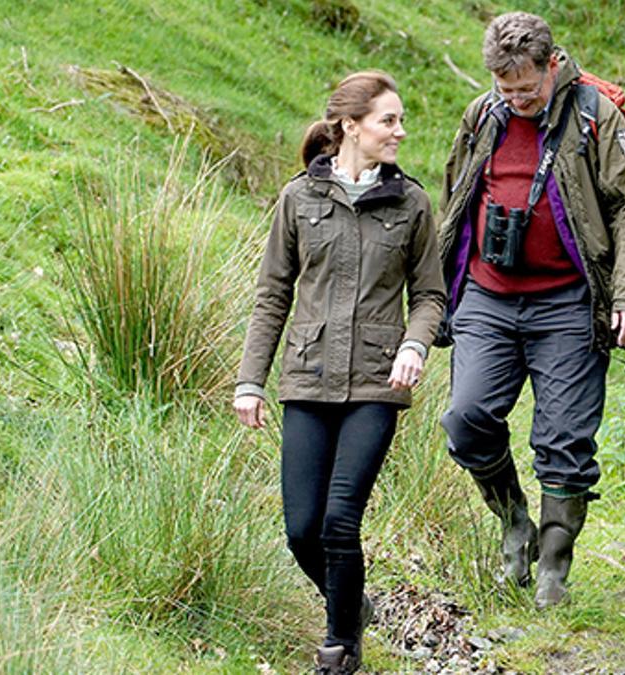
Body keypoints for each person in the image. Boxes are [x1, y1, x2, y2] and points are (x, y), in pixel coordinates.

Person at [437, 12, 625, 608]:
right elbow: (455, 198)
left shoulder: (595, 115)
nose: (517, 100)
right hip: (487, 293)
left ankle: (553, 569)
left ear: (553, 65)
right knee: (465, 417)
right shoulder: (483, 116)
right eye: (506, 89)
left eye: (527, 89)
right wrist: (437, 292)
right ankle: (513, 520)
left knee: (563, 439)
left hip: (568, 299)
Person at [232, 71, 445, 673]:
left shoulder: (413, 204)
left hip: (379, 382)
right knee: (301, 528)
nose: (400, 131)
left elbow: (430, 295)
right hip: (306, 375)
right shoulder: (299, 199)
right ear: (351, 126)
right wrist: (251, 379)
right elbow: (272, 294)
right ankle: (351, 605)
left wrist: (414, 345)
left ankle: (340, 648)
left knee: (338, 520)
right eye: (389, 121)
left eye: (400, 120)